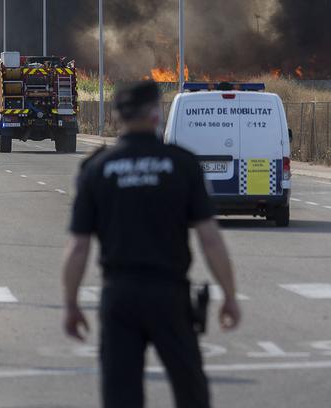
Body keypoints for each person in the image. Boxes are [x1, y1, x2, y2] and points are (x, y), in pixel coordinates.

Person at [62, 79, 241, 408]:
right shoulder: (182, 164)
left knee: (121, 394)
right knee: (190, 389)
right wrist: (229, 295)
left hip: (119, 297)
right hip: (169, 296)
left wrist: (71, 304)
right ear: (156, 115)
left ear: (117, 116)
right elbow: (210, 240)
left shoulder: (97, 168)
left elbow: (78, 248)